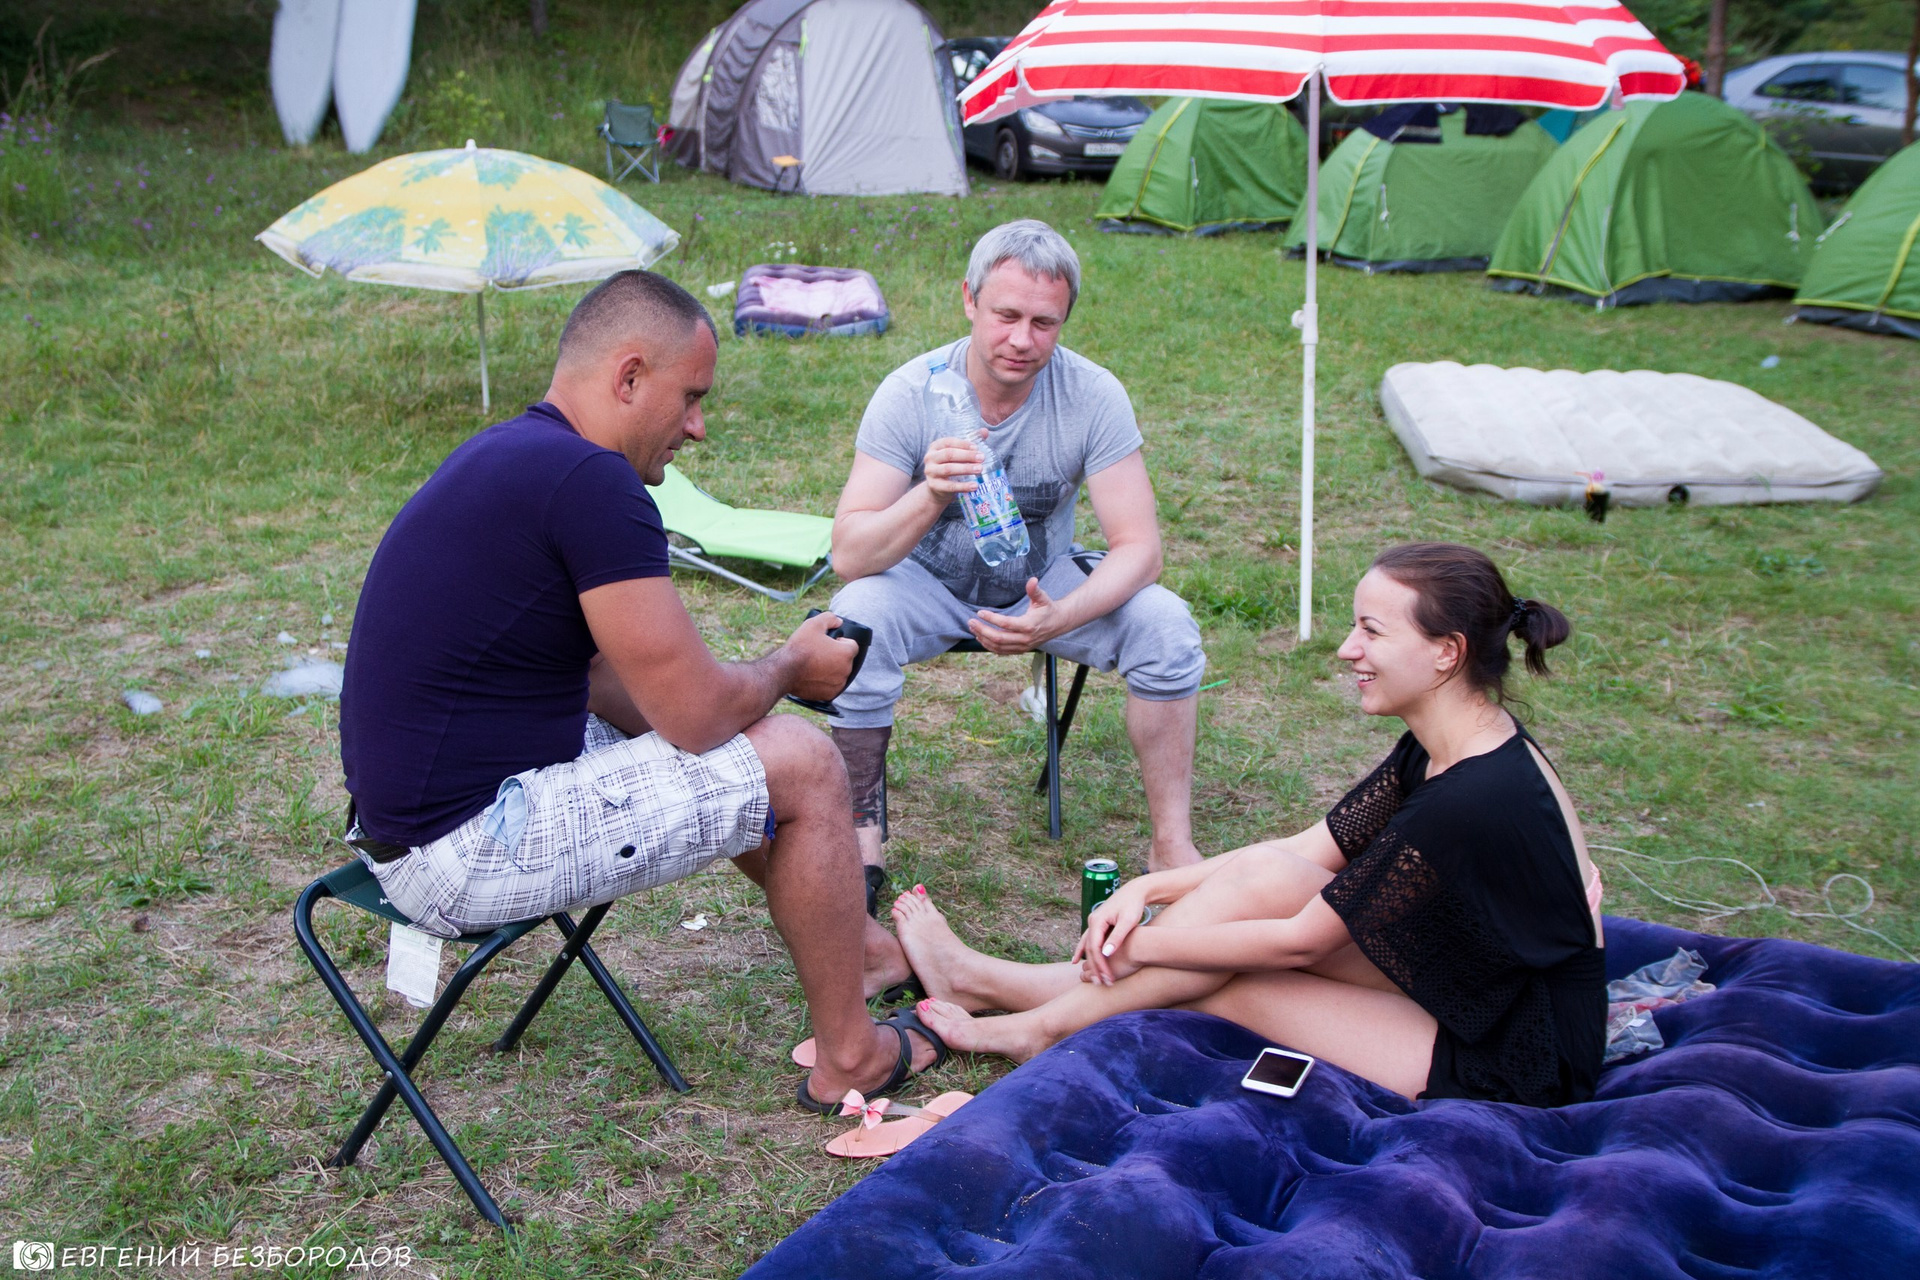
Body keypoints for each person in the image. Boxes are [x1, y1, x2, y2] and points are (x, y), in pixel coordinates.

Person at [338, 270, 938, 1112]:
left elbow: (606, 681)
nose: (697, 427)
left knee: (728, 744)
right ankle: (851, 1055)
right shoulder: (592, 481)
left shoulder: (511, 453)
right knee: (801, 762)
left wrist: (729, 715)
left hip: (404, 831)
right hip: (460, 853)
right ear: (628, 377)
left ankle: (866, 951)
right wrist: (788, 669)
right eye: (690, 398)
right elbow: (696, 716)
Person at [893, 543, 1608, 1107]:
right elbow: (1304, 850)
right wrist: (1149, 887)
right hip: (1473, 974)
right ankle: (995, 987)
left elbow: (1300, 943)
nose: (1346, 649)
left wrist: (1145, 944)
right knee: (1263, 877)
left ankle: (1034, 1021)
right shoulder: (1449, 742)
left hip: (1517, 1048)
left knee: (1218, 981)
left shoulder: (1470, 795)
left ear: (1447, 652)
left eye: (1370, 630)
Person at [827, 219, 1208, 890]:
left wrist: (1060, 616)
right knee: (852, 620)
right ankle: (860, 847)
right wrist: (930, 493)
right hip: (923, 583)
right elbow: (850, 555)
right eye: (1006, 316)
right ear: (969, 300)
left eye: (1044, 322)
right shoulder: (911, 393)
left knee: (1166, 626)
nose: (1022, 340)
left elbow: (1141, 550)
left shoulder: (1092, 395)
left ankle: (1172, 846)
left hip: (1044, 581)